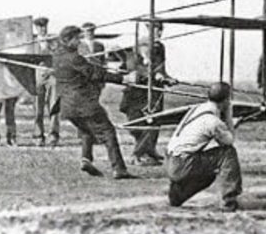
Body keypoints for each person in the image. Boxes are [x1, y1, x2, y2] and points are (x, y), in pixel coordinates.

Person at [53, 25, 135, 179]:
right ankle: (119, 169)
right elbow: (94, 73)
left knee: (86, 131)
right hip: (84, 104)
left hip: (67, 107)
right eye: (76, 39)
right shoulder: (74, 58)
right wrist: (123, 78)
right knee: (108, 132)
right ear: (67, 40)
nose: (79, 42)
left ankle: (86, 159)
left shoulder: (57, 56)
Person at [166, 82, 242, 211]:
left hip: (170, 160)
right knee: (228, 154)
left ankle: (177, 195)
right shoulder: (212, 121)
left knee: (209, 173)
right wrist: (229, 115)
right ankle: (229, 202)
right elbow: (229, 142)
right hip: (183, 164)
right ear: (226, 100)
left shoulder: (198, 108)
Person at [120, 40, 174, 166]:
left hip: (153, 95)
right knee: (137, 125)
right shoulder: (131, 53)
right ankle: (140, 153)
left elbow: (162, 71)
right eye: (146, 47)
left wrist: (168, 79)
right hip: (135, 95)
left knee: (153, 122)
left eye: (160, 28)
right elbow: (133, 69)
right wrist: (154, 75)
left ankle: (145, 152)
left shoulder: (159, 49)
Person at [33, 17, 60, 146]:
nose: (42, 29)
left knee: (54, 105)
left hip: (52, 75)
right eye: (40, 26)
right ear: (36, 28)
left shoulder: (53, 41)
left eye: (44, 26)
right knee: (38, 107)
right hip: (37, 75)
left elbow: (59, 55)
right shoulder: (31, 42)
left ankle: (53, 134)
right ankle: (38, 135)